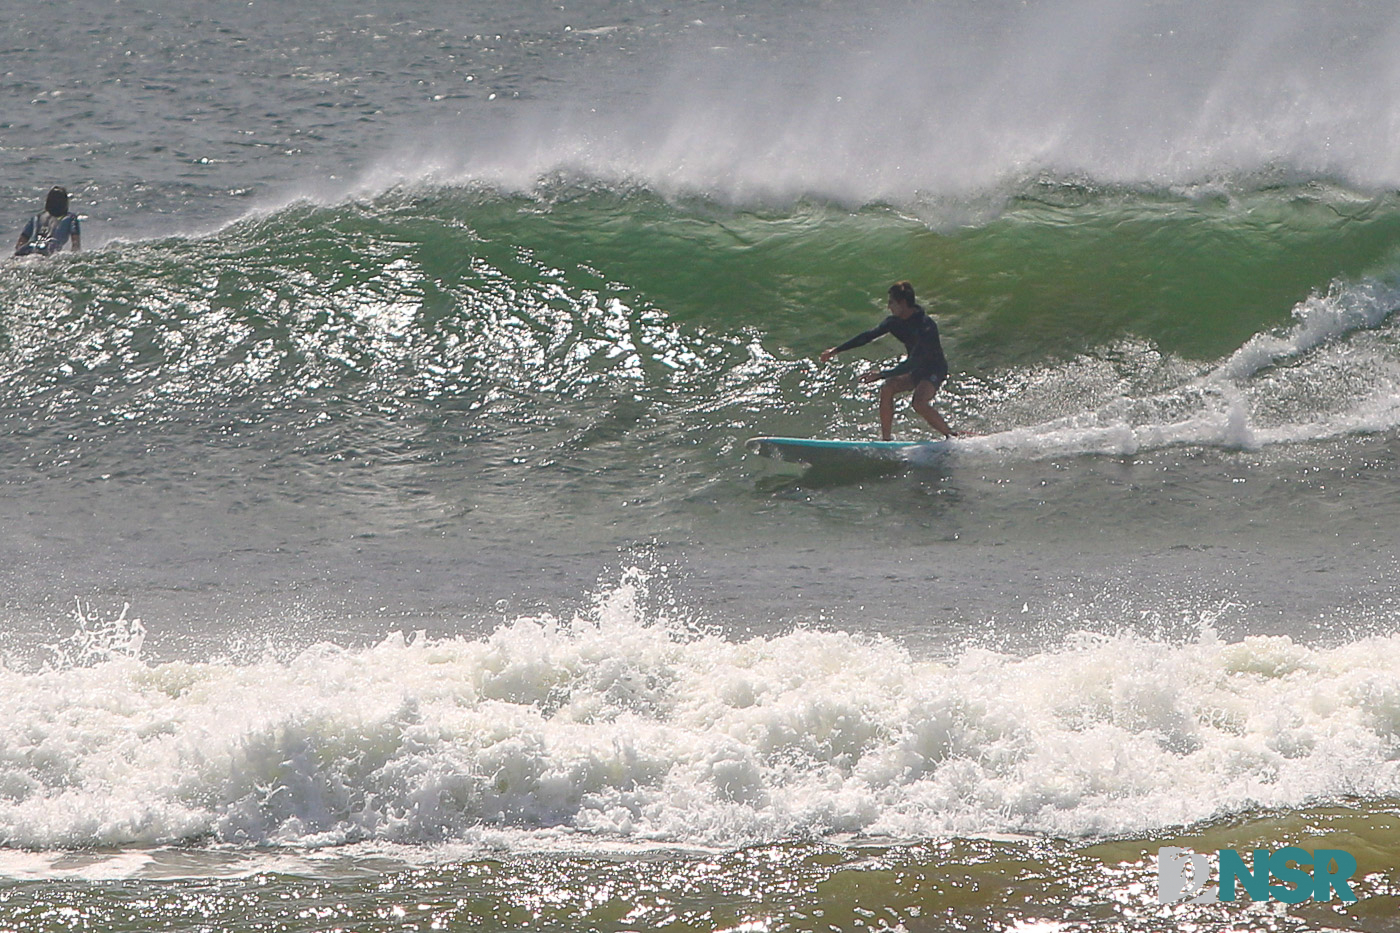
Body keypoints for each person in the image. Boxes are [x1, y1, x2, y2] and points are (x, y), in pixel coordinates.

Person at [820, 281, 957, 440]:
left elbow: (914, 361)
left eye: (891, 302)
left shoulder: (926, 326)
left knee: (918, 402)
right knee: (887, 388)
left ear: (903, 303)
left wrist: (882, 374)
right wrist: (836, 350)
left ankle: (951, 436)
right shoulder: (894, 322)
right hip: (916, 370)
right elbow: (867, 336)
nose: (888, 307)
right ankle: (886, 440)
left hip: (934, 369)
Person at [14, 186, 81, 257]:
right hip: (48, 249)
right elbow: (76, 244)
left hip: (28, 247)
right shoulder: (71, 218)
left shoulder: (37, 217)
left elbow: (20, 243)